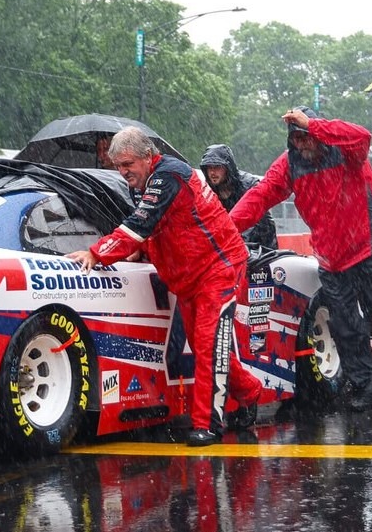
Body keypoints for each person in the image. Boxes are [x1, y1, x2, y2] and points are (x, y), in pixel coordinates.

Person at [229, 106, 372, 410]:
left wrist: (313, 125)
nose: (302, 144)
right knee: (345, 323)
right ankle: (366, 385)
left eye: (306, 136)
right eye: (296, 139)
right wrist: (224, 229)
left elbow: (362, 137)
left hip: (370, 246)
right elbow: (260, 196)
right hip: (331, 256)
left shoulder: (345, 150)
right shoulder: (289, 164)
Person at [66, 127, 263, 447]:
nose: (123, 172)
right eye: (117, 166)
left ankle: (208, 425)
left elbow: (141, 224)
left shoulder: (169, 174)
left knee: (208, 346)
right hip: (187, 276)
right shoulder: (145, 182)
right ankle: (251, 391)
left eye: (127, 163)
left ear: (148, 156)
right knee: (208, 347)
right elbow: (157, 229)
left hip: (219, 268)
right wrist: (136, 252)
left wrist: (96, 252)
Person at [199, 144, 279, 250]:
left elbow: (258, 222)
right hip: (232, 245)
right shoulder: (208, 191)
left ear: (227, 168)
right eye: (209, 168)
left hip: (262, 244)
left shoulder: (249, 184)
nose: (212, 172)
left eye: (217, 167)